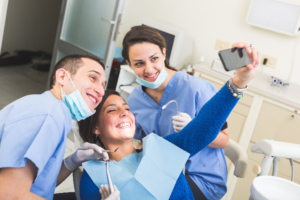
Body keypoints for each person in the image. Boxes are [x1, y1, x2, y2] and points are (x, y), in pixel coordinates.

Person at [77, 43, 259, 199]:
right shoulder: (94, 176)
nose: (125, 113)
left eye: (126, 108)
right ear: (95, 127)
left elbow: (202, 129)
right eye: (112, 110)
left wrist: (239, 81)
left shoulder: (159, 149)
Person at [122, 26, 252, 199]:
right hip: (163, 169)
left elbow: (224, 140)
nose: (149, 69)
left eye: (154, 59)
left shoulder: (197, 89)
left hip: (200, 178)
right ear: (128, 63)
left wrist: (193, 128)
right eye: (139, 63)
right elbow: (140, 140)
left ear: (164, 53)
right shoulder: (136, 98)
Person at [0, 55, 119, 200]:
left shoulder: (51, 110)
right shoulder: (48, 114)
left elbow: (39, 185)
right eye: (93, 78)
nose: (101, 92)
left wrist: (72, 162)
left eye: (103, 85)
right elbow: (10, 195)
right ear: (62, 76)